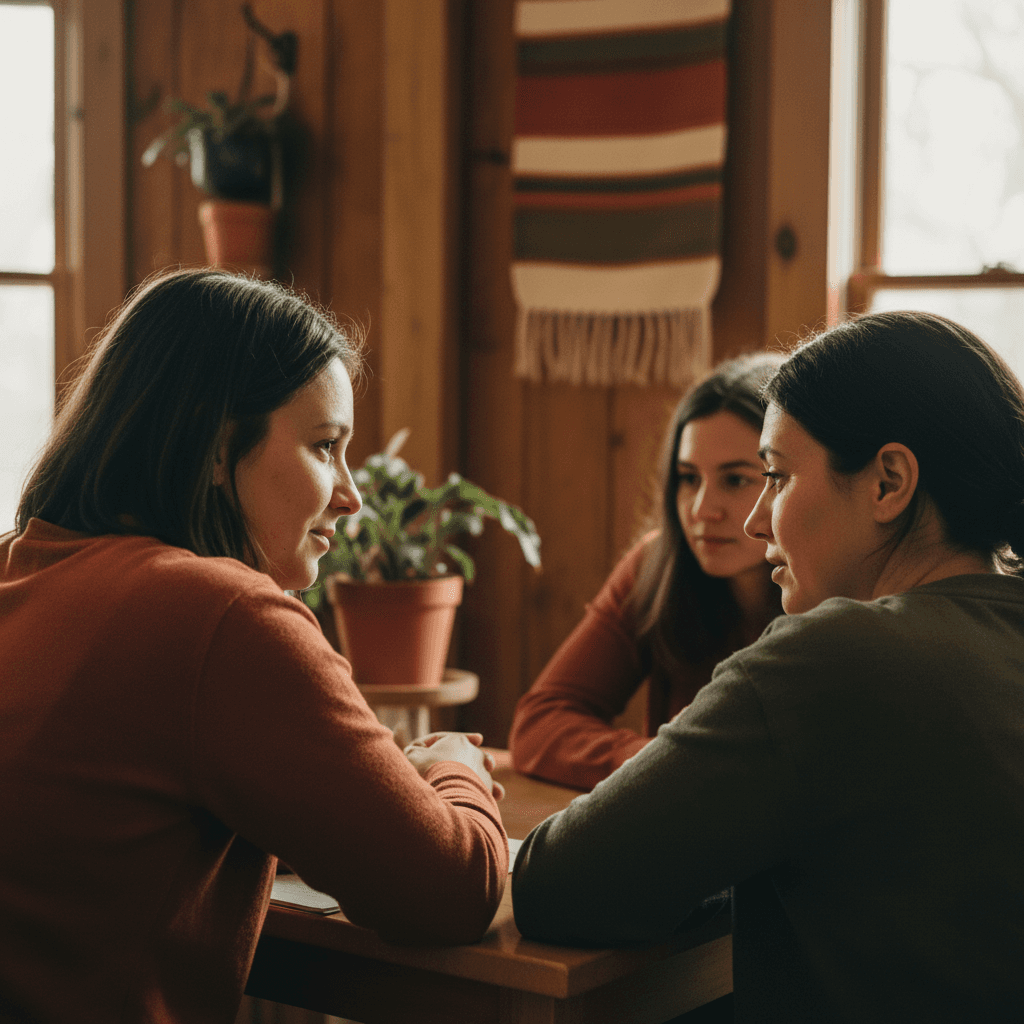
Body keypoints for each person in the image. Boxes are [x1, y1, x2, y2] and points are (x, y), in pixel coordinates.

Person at [0, 268, 507, 1024]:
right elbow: (452, 890)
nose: (352, 492)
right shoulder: (220, 613)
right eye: (323, 446)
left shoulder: (18, 564)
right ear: (213, 447)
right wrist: (456, 769)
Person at [512, 311, 1024, 1022]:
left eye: (775, 477)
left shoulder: (830, 655)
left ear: (889, 482)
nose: (755, 520)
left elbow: (557, 886)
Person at [509, 354, 785, 790]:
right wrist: (660, 758)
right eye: (688, 478)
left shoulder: (839, 587)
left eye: (735, 480)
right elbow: (540, 723)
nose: (701, 510)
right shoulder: (657, 564)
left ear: (785, 482)